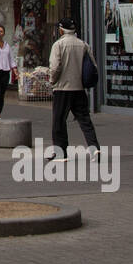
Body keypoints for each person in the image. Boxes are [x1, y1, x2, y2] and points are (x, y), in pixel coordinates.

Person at [47, 18, 99, 160]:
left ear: (61, 30)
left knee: (59, 121)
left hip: (62, 89)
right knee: (84, 120)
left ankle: (61, 152)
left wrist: (52, 80)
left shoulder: (58, 45)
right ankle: (95, 148)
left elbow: (55, 67)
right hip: (79, 89)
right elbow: (93, 65)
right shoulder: (83, 44)